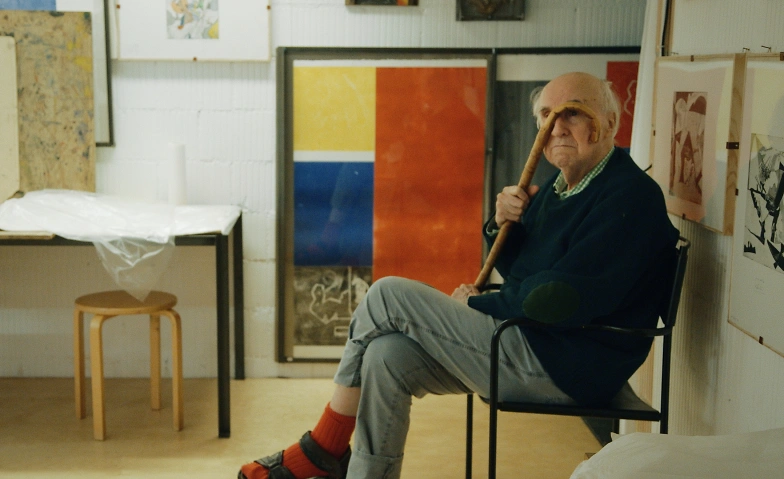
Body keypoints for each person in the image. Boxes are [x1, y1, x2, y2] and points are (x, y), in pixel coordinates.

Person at [238, 72, 680, 479]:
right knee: (386, 356)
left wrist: (475, 304)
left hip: (566, 366)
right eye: (546, 116)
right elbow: (526, 273)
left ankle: (324, 448)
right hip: (537, 342)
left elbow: (556, 299)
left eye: (573, 113)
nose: (556, 127)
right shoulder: (562, 186)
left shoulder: (628, 196)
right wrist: (503, 225)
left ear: (610, 122)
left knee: (387, 294)